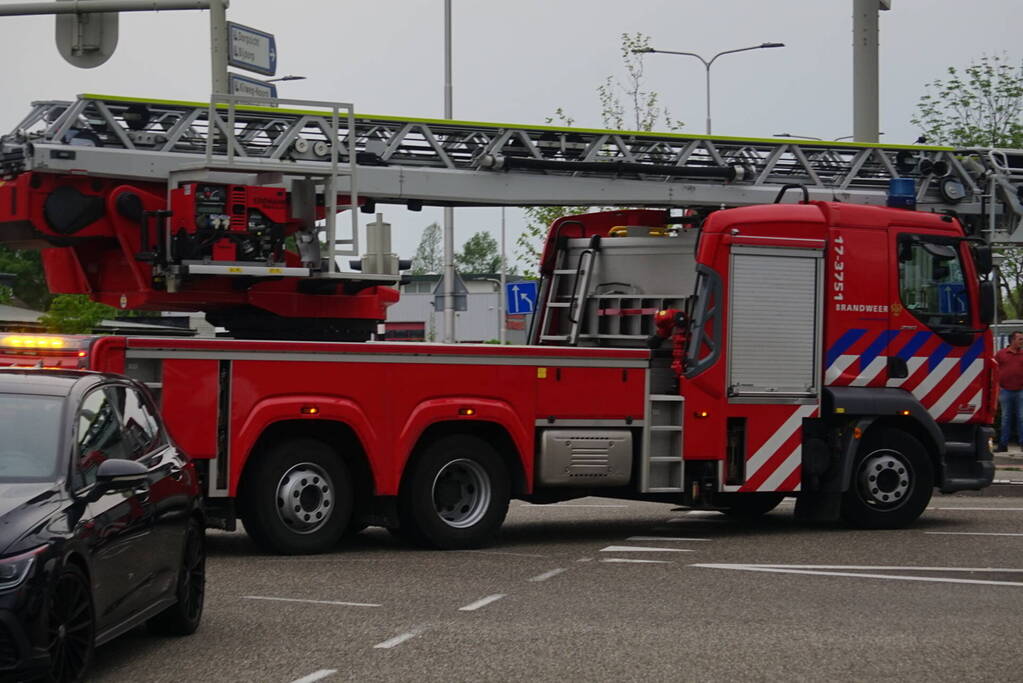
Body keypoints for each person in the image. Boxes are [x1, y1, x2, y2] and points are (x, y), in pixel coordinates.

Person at [995, 331, 1023, 451]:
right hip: (1005, 390)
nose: (1022, 341)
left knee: (1021, 418)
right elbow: (994, 370)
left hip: (1021, 390)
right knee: (1006, 418)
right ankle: (1003, 444)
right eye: (1020, 339)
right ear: (1012, 340)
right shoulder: (1001, 354)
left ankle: (1022, 443)